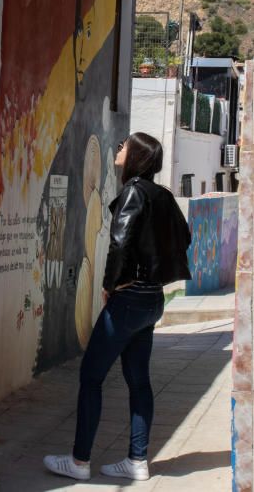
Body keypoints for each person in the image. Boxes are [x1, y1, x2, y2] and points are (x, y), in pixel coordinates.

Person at [43, 132, 192, 482]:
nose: (120, 148)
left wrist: (110, 286)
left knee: (91, 376)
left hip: (129, 298)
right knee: (139, 381)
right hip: (152, 299)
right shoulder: (163, 196)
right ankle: (137, 461)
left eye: (126, 145)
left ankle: (79, 462)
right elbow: (184, 236)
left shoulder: (133, 192)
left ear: (136, 155)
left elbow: (120, 242)